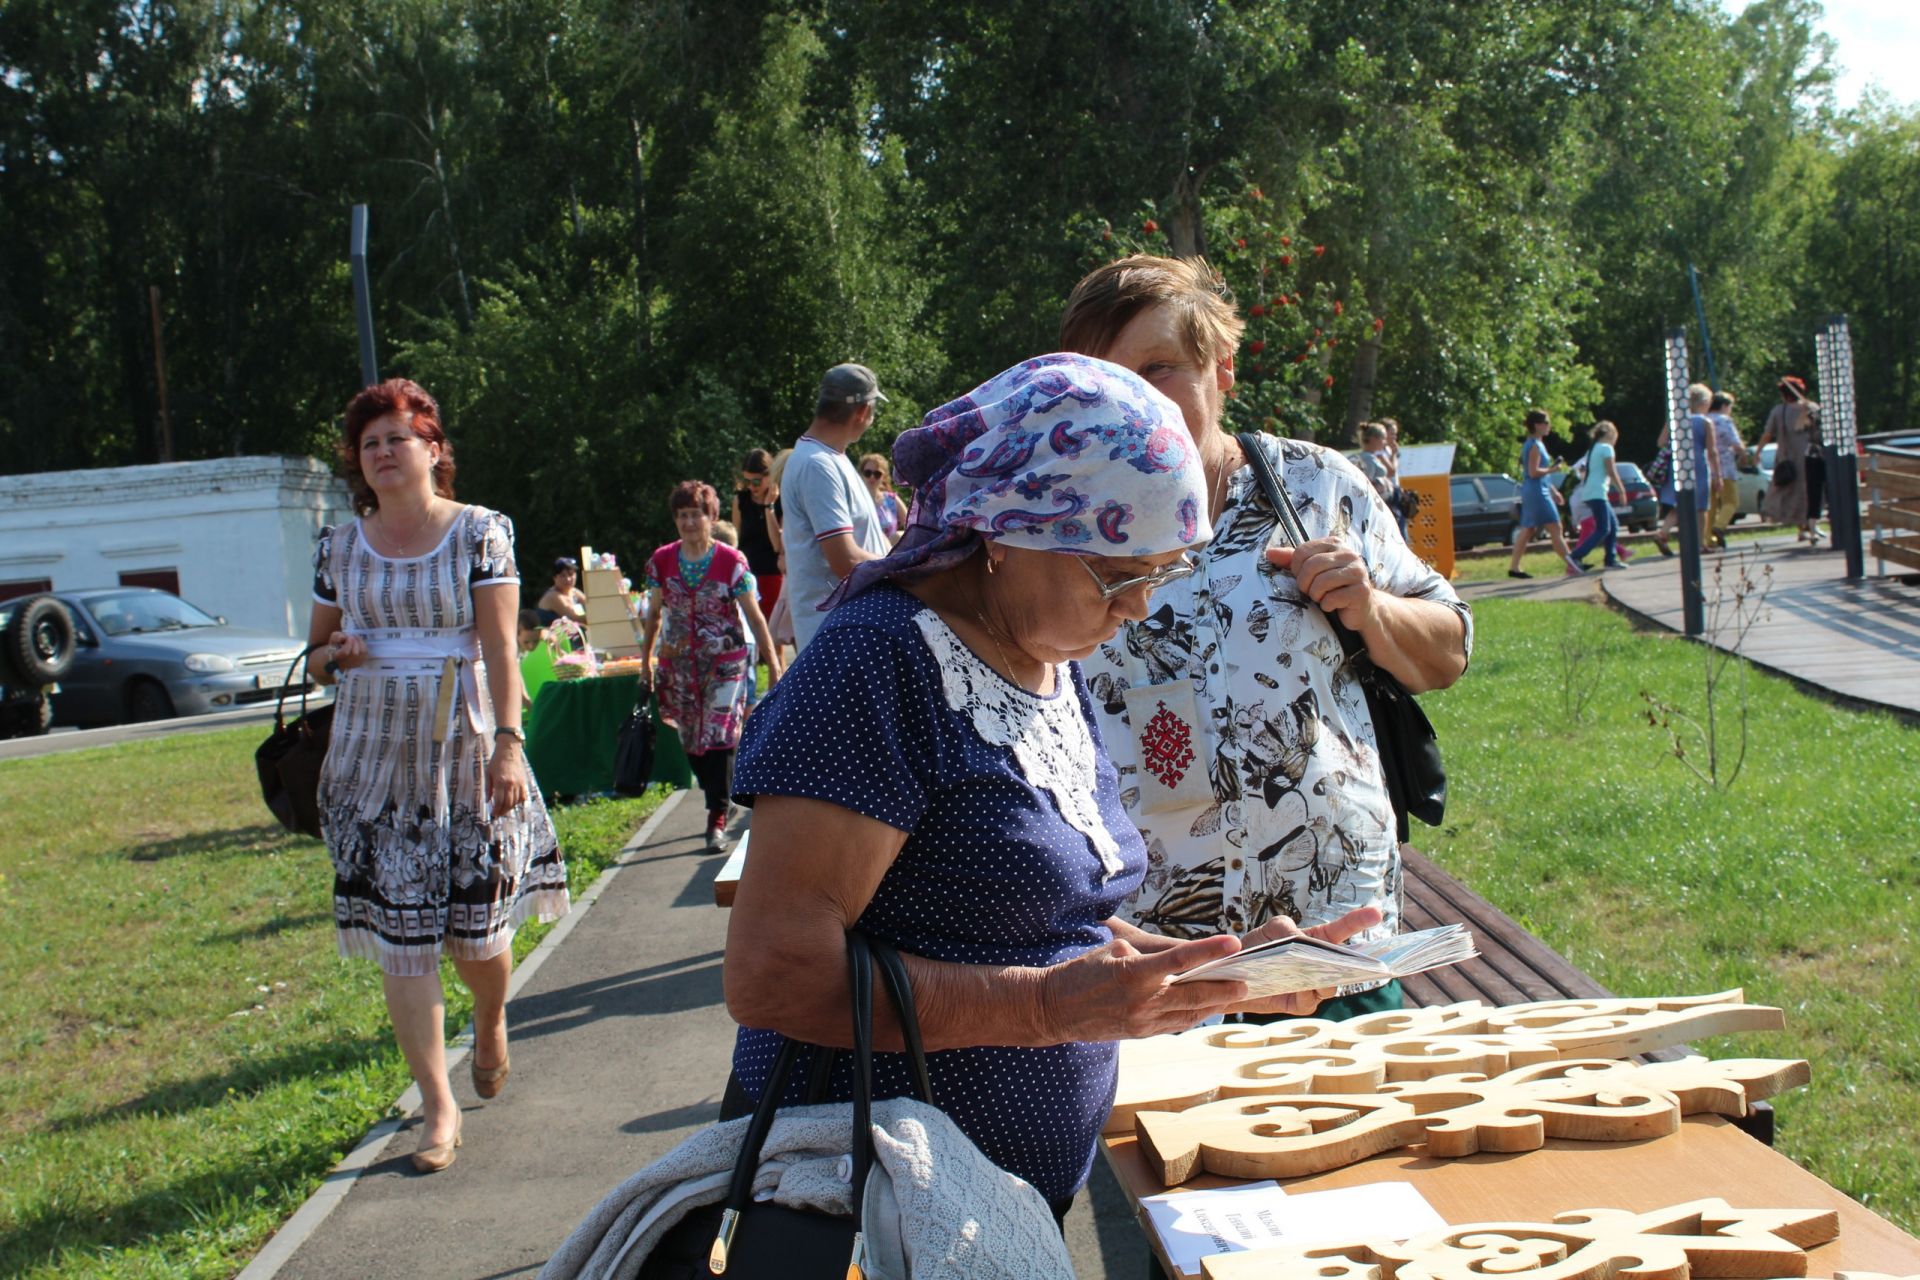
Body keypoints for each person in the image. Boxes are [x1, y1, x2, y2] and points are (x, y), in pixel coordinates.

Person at [723, 354, 1380, 1223]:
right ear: (1004, 532)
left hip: (984, 1207)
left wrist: (1199, 975)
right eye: (1119, 575)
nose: (1139, 608)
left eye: (1163, 572)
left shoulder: (1036, 652)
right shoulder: (878, 665)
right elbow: (773, 973)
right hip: (858, 1211)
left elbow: (1021, 904)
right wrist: (1043, 1008)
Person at [1059, 255, 1469, 1020]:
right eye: (1111, 382)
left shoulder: (1316, 485)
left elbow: (1448, 651)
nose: (1138, 405)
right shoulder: (1063, 531)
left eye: (1161, 370)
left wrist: (1370, 607)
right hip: (1158, 964)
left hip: (1333, 936)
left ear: (1223, 369)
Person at [304, 378, 566, 1174]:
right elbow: (315, 657)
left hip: (466, 746)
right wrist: (337, 655)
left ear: (433, 449)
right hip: (371, 759)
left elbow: (500, 646)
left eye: (398, 438)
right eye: (369, 442)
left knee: (477, 935)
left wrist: (510, 746)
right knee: (402, 938)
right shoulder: (339, 547)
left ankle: (490, 1018)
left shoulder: (480, 533)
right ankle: (437, 1106)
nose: (382, 452)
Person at [640, 481, 783, 851]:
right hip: (679, 664)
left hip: (726, 664)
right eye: (682, 515)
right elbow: (654, 614)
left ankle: (715, 816)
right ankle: (718, 795)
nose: (689, 522)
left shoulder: (731, 562)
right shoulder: (662, 560)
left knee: (720, 734)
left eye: (696, 514)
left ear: (711, 517)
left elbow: (754, 616)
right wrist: (645, 662)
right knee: (690, 738)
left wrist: (774, 665)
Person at [780, 363, 892, 651]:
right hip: (836, 642)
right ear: (862, 412)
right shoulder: (818, 465)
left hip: (848, 632)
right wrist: (910, 567)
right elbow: (846, 561)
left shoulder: (830, 458)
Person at [1507, 410, 1580, 578]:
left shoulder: (1535, 443)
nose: (1549, 426)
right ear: (1537, 425)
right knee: (1554, 526)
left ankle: (1514, 567)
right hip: (1537, 491)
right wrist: (1553, 469)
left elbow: (1539, 475)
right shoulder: (1534, 445)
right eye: (1546, 423)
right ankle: (1572, 564)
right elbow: (1533, 472)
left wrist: (1554, 491)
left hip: (1538, 489)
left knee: (1528, 529)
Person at [1758, 376, 1824, 542]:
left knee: (1791, 493)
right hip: (1810, 457)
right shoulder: (1811, 408)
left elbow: (1768, 433)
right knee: (1810, 492)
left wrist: (1758, 451)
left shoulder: (1779, 411)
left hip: (1787, 458)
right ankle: (1810, 525)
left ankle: (1802, 527)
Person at [731, 448, 785, 621]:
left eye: (756, 481)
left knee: (771, 634)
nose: (751, 487)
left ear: (769, 476)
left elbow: (778, 544)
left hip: (772, 573)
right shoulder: (740, 500)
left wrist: (769, 506)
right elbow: (735, 541)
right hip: (746, 574)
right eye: (746, 481)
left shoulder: (781, 501)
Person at [1568, 420, 1630, 571]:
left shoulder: (1593, 448)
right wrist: (1621, 490)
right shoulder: (1606, 448)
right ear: (1610, 435)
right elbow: (1611, 471)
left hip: (1590, 492)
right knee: (1603, 528)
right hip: (1598, 492)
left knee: (1612, 525)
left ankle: (1610, 559)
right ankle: (1575, 555)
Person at [1708, 392, 1747, 548]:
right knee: (1731, 501)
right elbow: (1735, 443)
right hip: (1725, 468)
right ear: (1724, 406)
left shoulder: (1704, 419)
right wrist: (1743, 454)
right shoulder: (1724, 420)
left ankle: (1708, 538)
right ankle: (1719, 526)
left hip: (1706, 468)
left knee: (1710, 506)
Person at [859, 452, 909, 546]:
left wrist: (897, 536)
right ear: (861, 475)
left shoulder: (892, 499)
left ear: (884, 477)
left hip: (890, 555)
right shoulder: (855, 501)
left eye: (877, 474)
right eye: (867, 473)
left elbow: (912, 527)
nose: (872, 477)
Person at [536, 557, 587, 625]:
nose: (568, 579)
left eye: (571, 574)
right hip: (550, 634)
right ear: (554, 578)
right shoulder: (553, 596)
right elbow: (575, 618)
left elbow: (591, 605)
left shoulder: (574, 592)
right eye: (563, 576)